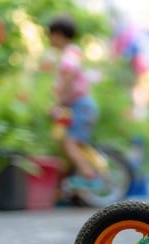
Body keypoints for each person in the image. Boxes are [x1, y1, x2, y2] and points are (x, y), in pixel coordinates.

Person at [48, 16, 100, 190]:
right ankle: (89, 172)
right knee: (77, 144)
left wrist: (59, 102)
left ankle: (89, 176)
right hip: (81, 105)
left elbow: (69, 78)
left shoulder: (68, 55)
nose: (50, 39)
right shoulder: (73, 52)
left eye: (51, 35)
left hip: (79, 105)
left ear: (59, 35)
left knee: (69, 143)